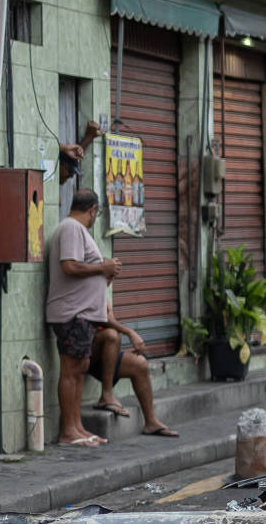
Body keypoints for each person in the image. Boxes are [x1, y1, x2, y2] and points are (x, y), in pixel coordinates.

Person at [44, 189, 118, 449]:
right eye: (96, 213)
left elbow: (80, 269)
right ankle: (68, 430)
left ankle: (77, 427)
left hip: (81, 315)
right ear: (93, 210)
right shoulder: (72, 228)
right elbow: (70, 266)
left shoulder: (75, 230)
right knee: (71, 370)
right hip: (72, 314)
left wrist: (102, 275)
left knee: (79, 368)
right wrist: (103, 267)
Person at [91, 304, 178, 438]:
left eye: (112, 280)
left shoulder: (103, 291)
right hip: (84, 351)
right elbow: (102, 319)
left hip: (103, 356)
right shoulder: (90, 285)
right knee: (111, 335)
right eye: (108, 280)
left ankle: (151, 422)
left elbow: (109, 319)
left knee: (140, 364)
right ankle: (107, 396)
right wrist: (130, 332)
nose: (110, 281)